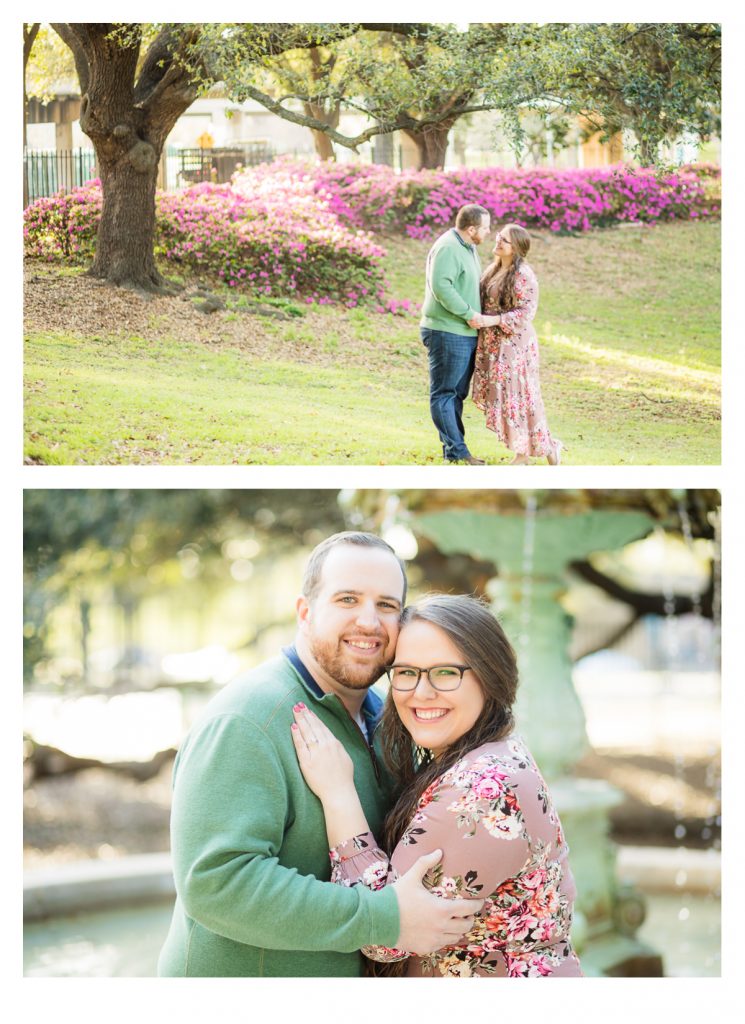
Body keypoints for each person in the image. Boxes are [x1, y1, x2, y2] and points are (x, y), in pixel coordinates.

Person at [158, 532, 482, 977]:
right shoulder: (246, 719)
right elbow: (216, 884)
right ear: (305, 612)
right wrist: (383, 916)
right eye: (347, 599)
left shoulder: (388, 716)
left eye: (387, 605)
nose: (369, 622)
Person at [291, 593, 583, 978]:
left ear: (489, 676)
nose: (421, 692)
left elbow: (383, 937)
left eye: (446, 672)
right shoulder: (490, 751)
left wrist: (338, 793)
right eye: (407, 672)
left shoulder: (484, 789)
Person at [471, 224, 564, 465]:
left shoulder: (524, 274)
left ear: (517, 249)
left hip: (515, 344)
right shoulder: (492, 269)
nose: (499, 241)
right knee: (508, 398)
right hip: (493, 343)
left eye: (506, 241)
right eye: (500, 236)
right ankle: (550, 446)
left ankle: (523, 455)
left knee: (519, 397)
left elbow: (525, 313)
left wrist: (491, 320)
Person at [420, 204, 493, 465]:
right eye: (485, 227)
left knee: (456, 394)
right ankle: (459, 452)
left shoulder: (468, 247)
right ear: (471, 228)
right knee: (444, 393)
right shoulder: (448, 247)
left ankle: (453, 451)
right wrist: (469, 313)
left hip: (463, 331)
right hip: (446, 331)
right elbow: (441, 286)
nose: (488, 232)